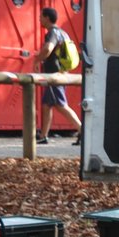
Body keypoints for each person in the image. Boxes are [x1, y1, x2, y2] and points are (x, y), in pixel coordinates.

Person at [36, 8, 81, 146]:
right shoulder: (63, 33)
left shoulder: (53, 33)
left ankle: (83, 130)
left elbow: (48, 49)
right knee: (47, 104)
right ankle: (43, 135)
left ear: (47, 18)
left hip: (53, 75)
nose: (39, 19)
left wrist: (37, 60)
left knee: (61, 105)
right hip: (61, 72)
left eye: (41, 17)